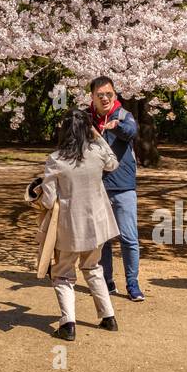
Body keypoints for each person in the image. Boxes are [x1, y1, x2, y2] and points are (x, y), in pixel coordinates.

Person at [32, 108, 121, 341]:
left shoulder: (56, 159)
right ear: (87, 129)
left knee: (62, 274)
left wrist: (36, 192)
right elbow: (114, 164)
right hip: (97, 224)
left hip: (69, 226)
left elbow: (49, 200)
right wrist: (98, 136)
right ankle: (108, 316)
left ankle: (68, 323)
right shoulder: (96, 153)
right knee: (93, 268)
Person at [88, 76, 144, 301]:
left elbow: (131, 132)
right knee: (103, 240)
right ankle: (107, 281)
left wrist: (116, 126)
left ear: (115, 95)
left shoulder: (124, 115)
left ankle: (133, 284)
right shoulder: (87, 119)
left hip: (123, 186)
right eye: (100, 95)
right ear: (92, 97)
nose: (105, 98)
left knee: (129, 237)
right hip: (97, 186)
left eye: (109, 94)